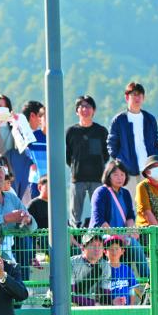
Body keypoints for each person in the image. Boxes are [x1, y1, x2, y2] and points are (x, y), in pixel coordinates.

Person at [90, 159, 147, 278]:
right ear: (108, 176)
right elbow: (99, 220)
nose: (119, 178)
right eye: (115, 174)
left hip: (122, 235)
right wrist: (117, 236)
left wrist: (132, 229)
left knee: (135, 244)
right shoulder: (101, 192)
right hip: (103, 234)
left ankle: (147, 280)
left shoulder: (125, 193)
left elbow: (130, 216)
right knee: (128, 244)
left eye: (122, 174)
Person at [66, 94, 109, 227]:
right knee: (75, 213)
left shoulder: (101, 131)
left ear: (94, 110)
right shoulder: (71, 131)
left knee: (99, 210)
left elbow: (106, 154)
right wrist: (75, 167)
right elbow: (68, 155)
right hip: (77, 177)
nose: (85, 109)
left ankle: (98, 236)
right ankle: (74, 239)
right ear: (76, 111)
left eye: (88, 106)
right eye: (81, 106)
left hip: (97, 177)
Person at [106, 81, 158, 183]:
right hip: (127, 172)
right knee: (129, 199)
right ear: (127, 97)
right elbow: (111, 145)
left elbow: (155, 143)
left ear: (144, 98)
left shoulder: (150, 119)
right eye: (134, 95)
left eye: (140, 95)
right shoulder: (119, 120)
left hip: (148, 170)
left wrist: (155, 162)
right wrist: (121, 161)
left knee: (146, 199)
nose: (137, 98)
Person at [71, 232, 111, 306]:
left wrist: (113, 301)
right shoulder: (72, 263)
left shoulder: (105, 266)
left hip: (93, 306)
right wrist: (94, 304)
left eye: (99, 245)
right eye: (93, 245)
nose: (97, 249)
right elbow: (70, 295)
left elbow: (106, 294)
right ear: (83, 248)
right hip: (72, 308)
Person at [103, 235, 139, 305]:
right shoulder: (103, 270)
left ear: (122, 251)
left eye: (117, 248)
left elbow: (132, 290)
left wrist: (131, 306)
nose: (114, 251)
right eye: (110, 249)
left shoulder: (127, 269)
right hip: (108, 308)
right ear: (105, 252)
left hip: (126, 308)